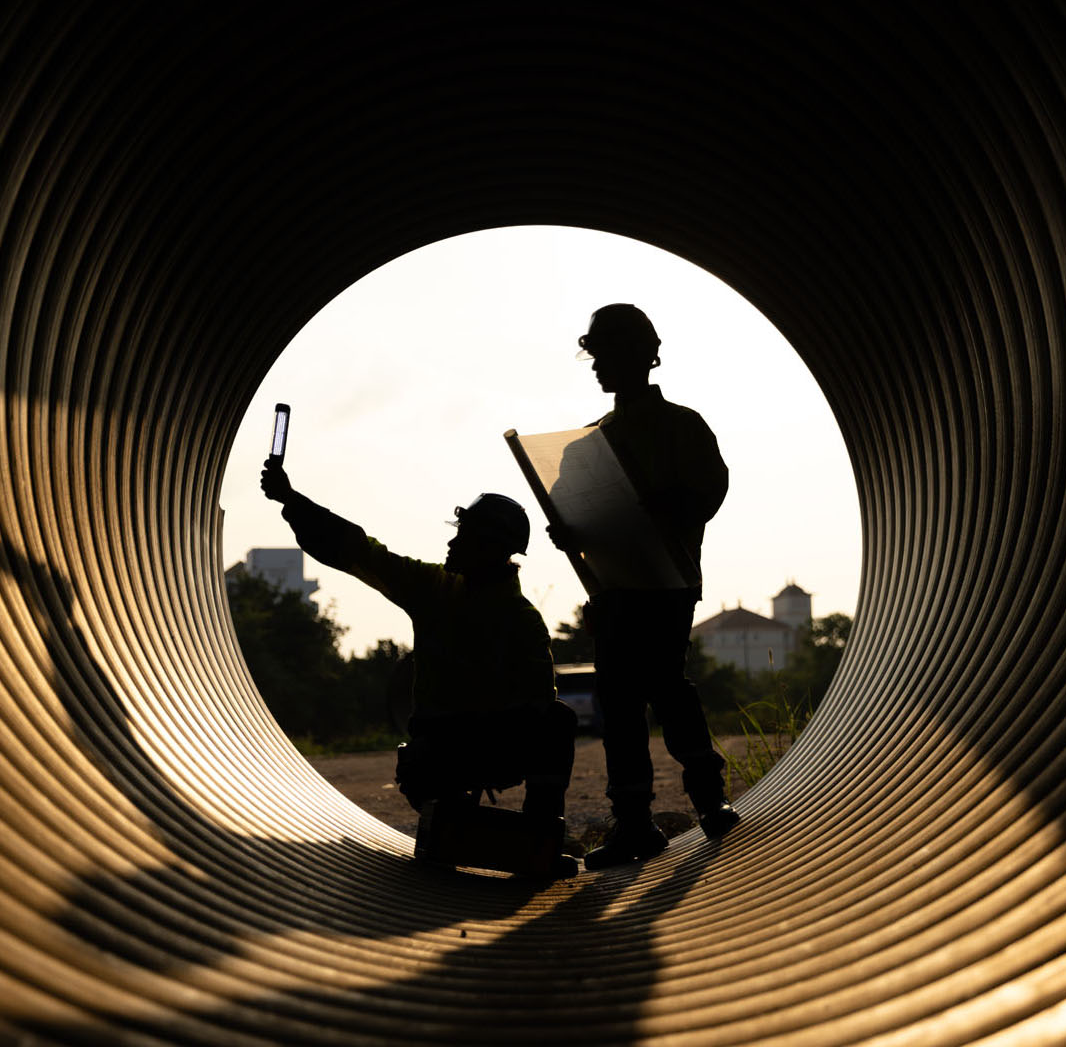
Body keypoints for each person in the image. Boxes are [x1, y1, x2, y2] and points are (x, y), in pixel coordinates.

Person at [260, 458, 577, 871]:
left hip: (458, 756)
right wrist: (292, 501)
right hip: (443, 759)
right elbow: (359, 550)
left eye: (463, 536)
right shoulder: (455, 595)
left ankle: (537, 841)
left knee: (555, 720)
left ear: (489, 548)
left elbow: (538, 709)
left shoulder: (464, 601)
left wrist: (290, 500)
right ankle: (525, 841)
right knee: (554, 722)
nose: (452, 543)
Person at [548, 303, 741, 870]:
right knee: (620, 701)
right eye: (595, 356)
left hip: (666, 583)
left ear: (643, 355)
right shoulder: (585, 446)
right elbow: (571, 516)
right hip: (614, 589)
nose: (598, 366)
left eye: (607, 353)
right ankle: (635, 823)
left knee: (665, 688)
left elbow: (706, 495)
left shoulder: (682, 426)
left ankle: (708, 801)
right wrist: (567, 529)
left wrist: (656, 504)